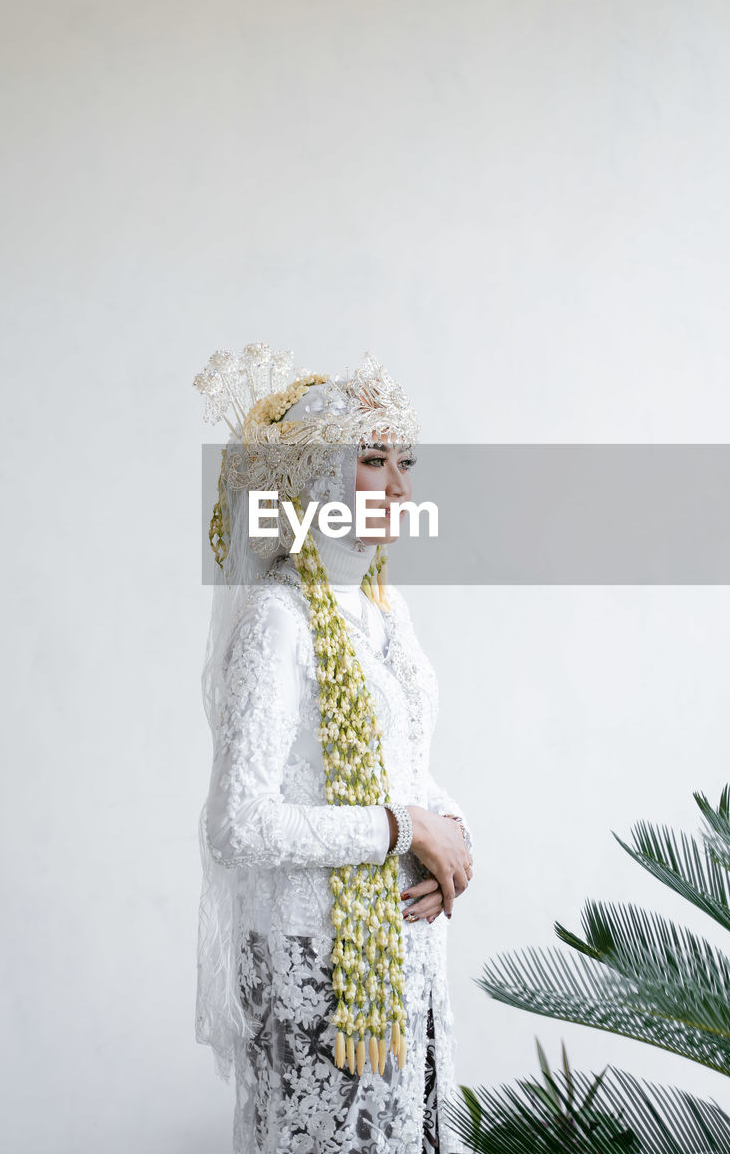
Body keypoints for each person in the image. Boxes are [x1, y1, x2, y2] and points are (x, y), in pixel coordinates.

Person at [194, 344, 473, 1154]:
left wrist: (453, 832)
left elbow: (409, 766)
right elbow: (237, 824)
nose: (398, 486)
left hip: (405, 953)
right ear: (315, 476)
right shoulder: (278, 620)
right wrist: (402, 830)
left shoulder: (387, 611)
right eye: (372, 461)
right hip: (314, 966)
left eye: (404, 463)